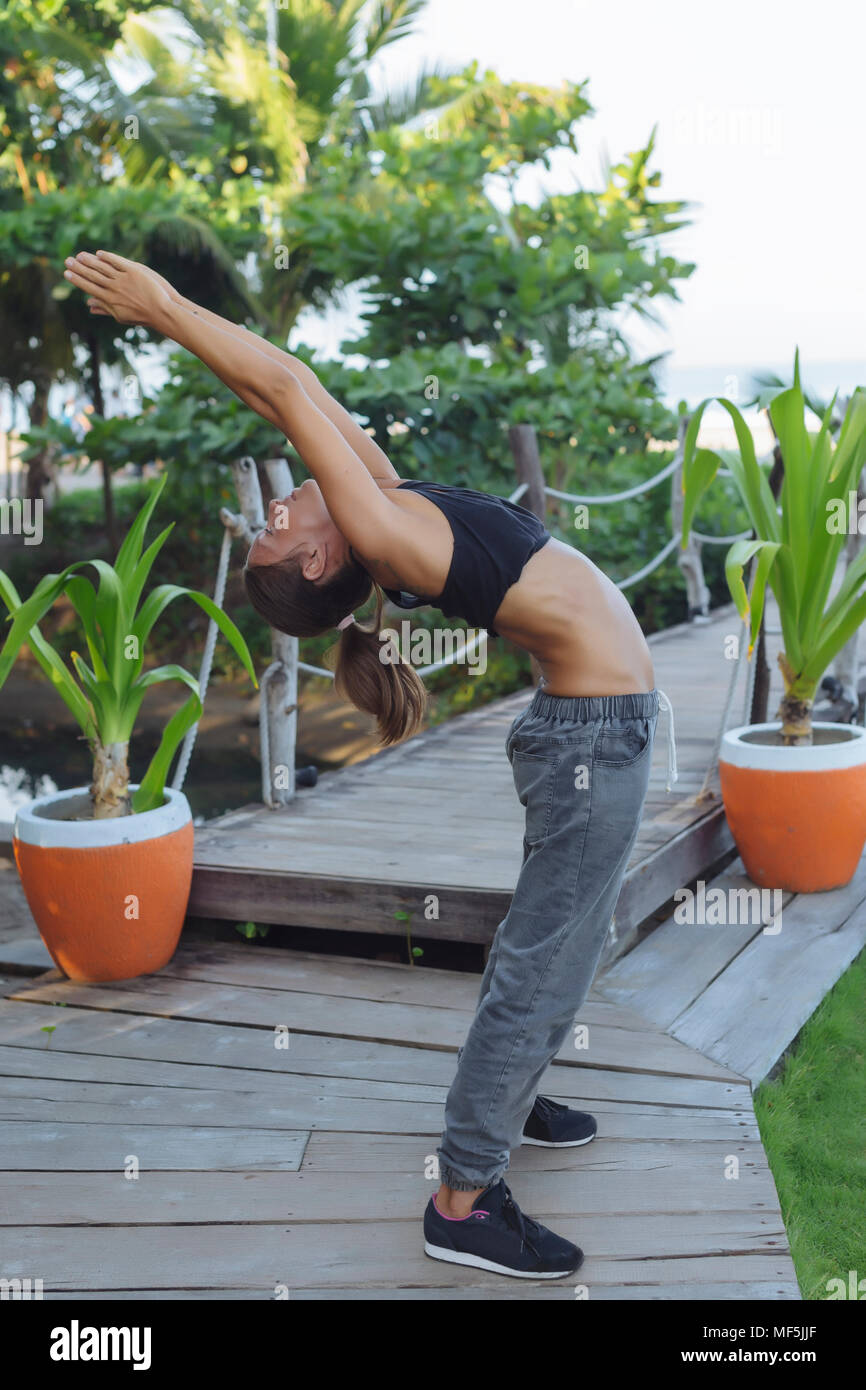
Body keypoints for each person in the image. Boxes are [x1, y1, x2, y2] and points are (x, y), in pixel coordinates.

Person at [62, 248, 677, 1281]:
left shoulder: (384, 505)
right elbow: (284, 389)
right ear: (315, 559)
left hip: (592, 734)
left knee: (558, 940)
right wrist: (166, 310)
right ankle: (464, 1199)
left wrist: (184, 319)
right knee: (547, 956)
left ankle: (511, 1097)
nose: (278, 508)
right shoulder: (389, 536)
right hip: (591, 741)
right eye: (272, 529)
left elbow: (303, 387)